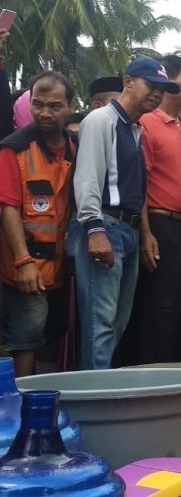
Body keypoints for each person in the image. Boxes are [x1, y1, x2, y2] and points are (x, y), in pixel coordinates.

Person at [70, 57, 180, 370]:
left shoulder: (134, 129)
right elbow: (88, 177)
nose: (157, 94)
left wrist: (143, 233)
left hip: (127, 229)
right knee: (100, 324)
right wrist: (94, 228)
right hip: (104, 223)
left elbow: (136, 188)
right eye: (151, 85)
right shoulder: (100, 120)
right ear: (128, 82)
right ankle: (92, 407)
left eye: (162, 89)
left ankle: (98, 399)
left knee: (116, 322)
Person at [122, 55, 181, 365]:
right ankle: (157, 380)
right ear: (168, 83)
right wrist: (146, 233)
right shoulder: (148, 123)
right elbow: (140, 183)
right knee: (162, 309)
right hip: (161, 225)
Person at [0, 71, 76, 376]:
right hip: (26, 266)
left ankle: (47, 402)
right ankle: (23, 406)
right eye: (38, 104)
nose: (44, 112)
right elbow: (7, 208)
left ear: (70, 106)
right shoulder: (13, 148)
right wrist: (22, 262)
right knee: (25, 340)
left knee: (53, 335)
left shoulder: (75, 147)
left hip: (59, 268)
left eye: (54, 106)